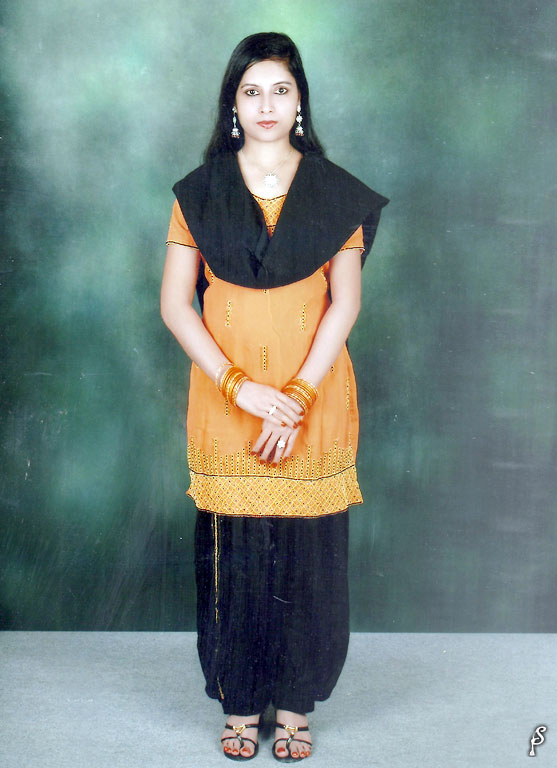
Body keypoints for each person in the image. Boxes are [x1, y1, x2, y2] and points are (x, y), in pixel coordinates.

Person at [160, 32, 388, 762]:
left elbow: (345, 304)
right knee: (234, 557)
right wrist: (244, 389)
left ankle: (294, 704)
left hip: (312, 394)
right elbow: (175, 305)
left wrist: (293, 396)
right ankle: (238, 699)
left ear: (300, 103)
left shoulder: (335, 193)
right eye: (251, 91)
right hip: (226, 399)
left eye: (280, 90)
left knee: (307, 559)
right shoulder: (198, 193)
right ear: (232, 105)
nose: (266, 105)